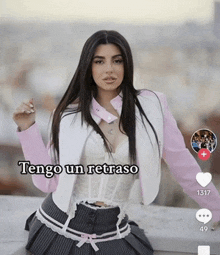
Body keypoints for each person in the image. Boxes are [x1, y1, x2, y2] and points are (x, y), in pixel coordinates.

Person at [13, 30, 220, 255]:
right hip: (58, 228)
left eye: (117, 61)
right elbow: (47, 181)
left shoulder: (152, 108)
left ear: (127, 65)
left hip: (114, 233)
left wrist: (216, 207)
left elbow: (183, 166)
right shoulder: (68, 115)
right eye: (99, 61)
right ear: (88, 67)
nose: (109, 69)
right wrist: (27, 129)